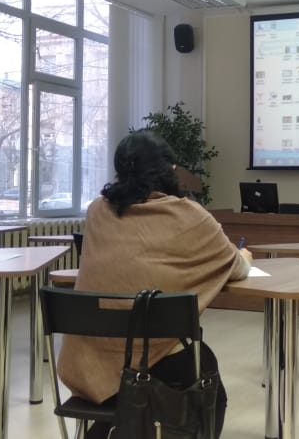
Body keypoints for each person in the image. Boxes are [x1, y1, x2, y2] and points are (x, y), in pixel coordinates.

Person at [57, 131, 252, 439]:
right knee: (209, 379)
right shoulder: (189, 215)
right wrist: (244, 256)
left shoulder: (97, 211)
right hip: (155, 365)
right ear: (170, 170)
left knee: (127, 377)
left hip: (87, 362)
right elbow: (236, 267)